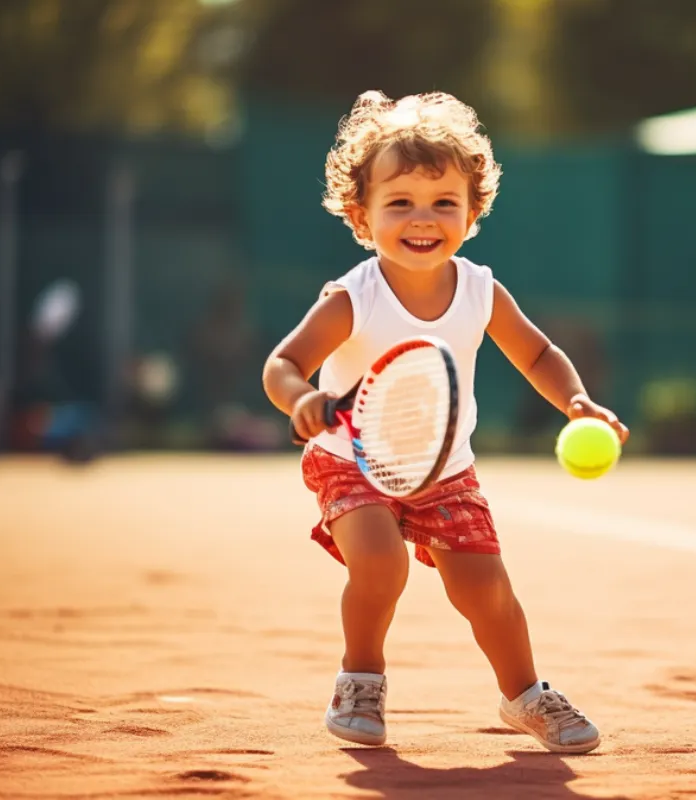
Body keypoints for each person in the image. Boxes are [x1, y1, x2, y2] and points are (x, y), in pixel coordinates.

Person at [262, 91, 628, 754]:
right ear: (361, 216)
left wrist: (576, 401)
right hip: (351, 458)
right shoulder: (354, 298)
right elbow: (283, 362)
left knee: (487, 591)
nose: (422, 219)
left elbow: (538, 353)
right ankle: (360, 678)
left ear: (472, 211)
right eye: (399, 203)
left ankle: (526, 696)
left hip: (444, 471)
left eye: (443, 203)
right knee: (378, 562)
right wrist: (300, 398)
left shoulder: (481, 289)